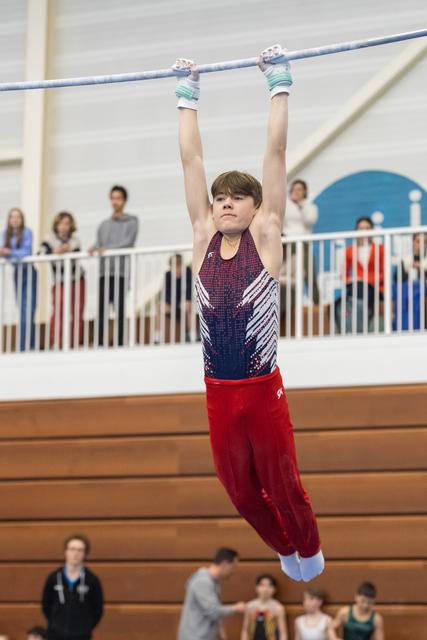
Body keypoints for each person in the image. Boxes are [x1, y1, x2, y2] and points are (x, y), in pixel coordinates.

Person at [174, 44, 323, 582]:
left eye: (238, 198)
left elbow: (275, 157)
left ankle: (309, 545)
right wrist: (187, 94)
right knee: (239, 488)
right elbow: (191, 161)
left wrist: (278, 84)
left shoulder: (266, 236)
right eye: (221, 199)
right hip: (218, 390)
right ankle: (286, 547)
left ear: (257, 207)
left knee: (282, 483)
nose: (226, 204)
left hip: (262, 388)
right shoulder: (202, 238)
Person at [89, 185, 138, 346]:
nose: (115, 201)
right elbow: (99, 243)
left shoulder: (132, 221)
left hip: (121, 272)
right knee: (102, 308)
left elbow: (128, 243)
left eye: (118, 198)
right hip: (104, 272)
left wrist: (107, 250)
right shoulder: (104, 224)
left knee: (119, 308)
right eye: (113, 198)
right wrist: (93, 248)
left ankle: (119, 342)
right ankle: (100, 343)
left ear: (124, 201)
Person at [42, 534, 104, 640]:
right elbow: (46, 605)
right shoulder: (54, 578)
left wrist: (85, 627)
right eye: (72, 549)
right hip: (55, 634)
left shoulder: (92, 580)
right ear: (66, 552)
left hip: (81, 636)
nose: (76, 553)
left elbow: (98, 609)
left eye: (80, 550)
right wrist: (55, 623)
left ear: (85, 554)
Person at [177, 547, 245, 640]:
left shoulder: (215, 582)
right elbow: (213, 611)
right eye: (233, 567)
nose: (233, 571)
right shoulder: (203, 581)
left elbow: (213, 611)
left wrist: (221, 632)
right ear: (224, 564)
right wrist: (235, 608)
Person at [39, 212, 85, 348]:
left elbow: (76, 254)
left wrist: (68, 251)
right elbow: (40, 253)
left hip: (76, 279)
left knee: (77, 310)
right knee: (58, 310)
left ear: (71, 226)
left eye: (67, 224)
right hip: (59, 281)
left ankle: (75, 341)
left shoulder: (75, 240)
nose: (64, 227)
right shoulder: (49, 239)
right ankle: (57, 341)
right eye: (61, 223)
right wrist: (55, 252)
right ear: (56, 225)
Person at [335, 217, 384, 334]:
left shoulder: (380, 249)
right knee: (356, 289)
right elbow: (343, 275)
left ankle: (357, 325)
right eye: (361, 228)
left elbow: (384, 273)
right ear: (356, 231)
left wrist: (366, 280)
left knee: (360, 288)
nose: (364, 231)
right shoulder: (349, 251)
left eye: (367, 228)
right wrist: (353, 280)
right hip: (357, 289)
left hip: (375, 288)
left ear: (372, 230)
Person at [0, 207, 37, 351]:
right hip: (18, 274)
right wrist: (9, 253)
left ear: (22, 219)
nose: (15, 219)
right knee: (21, 309)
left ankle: (28, 345)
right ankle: (23, 345)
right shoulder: (5, 234)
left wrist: (9, 252)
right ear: (9, 220)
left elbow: (26, 252)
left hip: (29, 272)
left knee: (29, 309)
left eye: (18, 217)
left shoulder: (27, 232)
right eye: (12, 217)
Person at [283, 179, 319, 303]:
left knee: (310, 274)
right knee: (288, 274)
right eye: (293, 189)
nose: (296, 192)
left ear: (304, 192)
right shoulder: (285, 206)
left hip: (304, 243)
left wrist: (302, 205)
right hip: (288, 243)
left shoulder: (310, 206)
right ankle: (289, 303)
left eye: (299, 189)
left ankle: (317, 304)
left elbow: (310, 220)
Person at [154, 253, 193, 343]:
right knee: (160, 308)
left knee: (188, 305)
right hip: (171, 304)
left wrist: (186, 300)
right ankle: (157, 338)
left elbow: (189, 289)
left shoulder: (187, 272)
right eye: (175, 266)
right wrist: (168, 302)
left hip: (183, 304)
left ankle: (190, 335)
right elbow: (165, 292)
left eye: (179, 265)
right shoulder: (168, 275)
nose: (177, 269)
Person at [393, 232, 427, 331]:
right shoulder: (405, 259)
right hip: (408, 294)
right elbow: (397, 279)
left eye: (425, 242)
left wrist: (421, 268)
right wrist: (408, 268)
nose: (421, 245)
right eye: (418, 241)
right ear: (413, 242)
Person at [241, 574, 287, 640]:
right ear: (256, 588)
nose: (265, 589)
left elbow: (283, 633)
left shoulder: (278, 608)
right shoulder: (249, 606)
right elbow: (245, 630)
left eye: (269, 586)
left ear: (274, 589)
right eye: (262, 585)